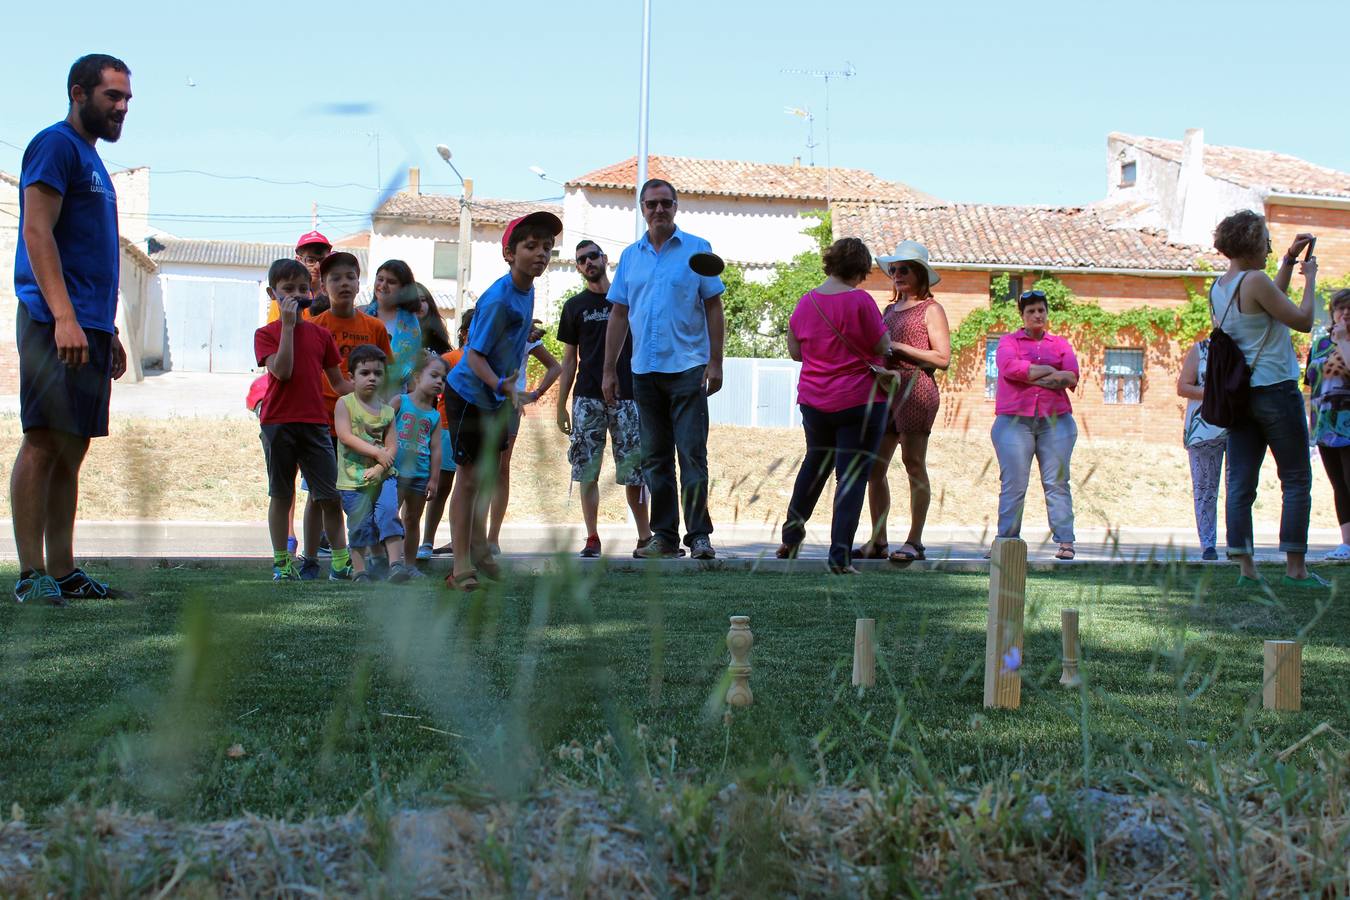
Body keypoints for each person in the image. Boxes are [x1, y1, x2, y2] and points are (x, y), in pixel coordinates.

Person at [11, 54, 133, 605]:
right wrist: (63, 316)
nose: (122, 108)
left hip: (88, 328)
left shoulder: (93, 162)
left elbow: (92, 255)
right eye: (112, 96)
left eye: (127, 99)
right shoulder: (56, 145)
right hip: (52, 321)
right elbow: (38, 233)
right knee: (42, 442)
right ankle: (31, 574)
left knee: (72, 448)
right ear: (78, 92)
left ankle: (62, 572)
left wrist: (105, 329)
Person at [603, 179, 725, 560]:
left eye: (665, 204)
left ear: (676, 206)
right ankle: (665, 537)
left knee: (691, 454)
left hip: (688, 367)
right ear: (641, 208)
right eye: (651, 204)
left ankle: (699, 536)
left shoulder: (697, 250)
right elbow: (619, 313)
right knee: (655, 459)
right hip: (644, 371)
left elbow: (713, 307)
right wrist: (608, 370)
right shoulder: (630, 257)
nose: (659, 210)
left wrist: (716, 361)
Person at [442, 211, 563, 591]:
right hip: (467, 395)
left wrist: (509, 391)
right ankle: (460, 566)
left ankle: (478, 545)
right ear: (509, 253)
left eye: (546, 247)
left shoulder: (527, 293)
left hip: (495, 398)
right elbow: (473, 356)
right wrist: (502, 386)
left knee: (485, 477)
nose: (541, 253)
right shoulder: (498, 299)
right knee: (469, 479)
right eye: (531, 246)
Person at [1211, 212, 1322, 587]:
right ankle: (1296, 569)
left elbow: (1267, 304)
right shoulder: (1255, 281)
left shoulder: (1220, 285)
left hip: (1241, 398)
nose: (1269, 247)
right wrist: (1311, 279)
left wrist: (1289, 261)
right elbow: (1303, 320)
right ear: (1255, 244)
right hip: (1276, 390)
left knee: (1241, 482)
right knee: (1295, 478)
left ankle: (1246, 569)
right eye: (1268, 242)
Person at [776, 238, 890, 573]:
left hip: (814, 400)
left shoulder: (806, 301)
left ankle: (791, 537)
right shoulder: (861, 301)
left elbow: (797, 352)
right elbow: (883, 345)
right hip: (859, 401)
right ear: (859, 269)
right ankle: (839, 557)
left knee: (814, 465)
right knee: (851, 477)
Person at [253, 259, 354, 581]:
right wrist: (286, 326)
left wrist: (371, 392)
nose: (296, 295)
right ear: (273, 293)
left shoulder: (321, 336)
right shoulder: (266, 334)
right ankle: (282, 563)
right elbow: (281, 371)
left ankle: (340, 563)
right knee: (282, 495)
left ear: (312, 292)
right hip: (278, 422)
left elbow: (338, 384)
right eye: (287, 290)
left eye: (302, 289)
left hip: (314, 423)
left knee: (329, 495)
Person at [296, 251, 392, 579]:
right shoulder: (313, 326)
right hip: (322, 423)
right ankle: (310, 559)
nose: (344, 283)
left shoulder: (374, 327)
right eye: (335, 278)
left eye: (350, 276)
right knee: (320, 496)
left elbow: (387, 376)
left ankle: (364, 561)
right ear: (323, 285)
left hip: (364, 428)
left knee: (364, 494)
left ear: (359, 280)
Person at [855, 241, 951, 563]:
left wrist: (897, 346)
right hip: (886, 389)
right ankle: (878, 541)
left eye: (904, 268)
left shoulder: (931, 309)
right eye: (893, 269)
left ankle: (915, 541)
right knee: (874, 468)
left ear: (920, 273)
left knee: (913, 464)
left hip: (916, 388)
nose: (896, 274)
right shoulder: (887, 309)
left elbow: (942, 357)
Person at [557, 240, 652, 558]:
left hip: (627, 396)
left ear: (605, 259)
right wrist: (560, 404)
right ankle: (592, 537)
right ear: (578, 267)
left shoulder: (627, 302)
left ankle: (645, 537)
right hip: (586, 398)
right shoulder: (574, 307)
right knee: (587, 470)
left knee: (634, 470)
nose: (588, 262)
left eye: (592, 256)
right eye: (581, 260)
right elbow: (569, 360)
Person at [990, 290, 1080, 560]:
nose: (1037, 315)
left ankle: (1065, 542)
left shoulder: (1060, 344)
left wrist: (1031, 374)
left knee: (1057, 482)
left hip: (1057, 421)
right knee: (1014, 483)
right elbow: (1009, 368)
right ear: (1022, 315)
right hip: (1014, 421)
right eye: (1031, 311)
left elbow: (1071, 376)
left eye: (1041, 310)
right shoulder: (1008, 341)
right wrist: (1052, 373)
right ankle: (1006, 542)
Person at [486, 320, 561, 555]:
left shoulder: (527, 335)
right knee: (475, 469)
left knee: (500, 469)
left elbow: (555, 367)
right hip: (481, 401)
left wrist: (534, 394)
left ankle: (492, 538)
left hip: (508, 406)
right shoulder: (488, 328)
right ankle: (469, 535)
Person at [333, 344, 403, 582]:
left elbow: (392, 445)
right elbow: (345, 436)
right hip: (353, 480)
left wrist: (380, 467)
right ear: (351, 377)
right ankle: (360, 570)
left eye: (378, 373)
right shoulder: (345, 403)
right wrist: (377, 453)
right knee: (360, 523)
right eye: (365, 373)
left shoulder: (387, 412)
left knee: (389, 513)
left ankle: (396, 565)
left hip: (383, 476)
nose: (372, 377)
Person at [421, 310, 473, 558]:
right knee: (440, 487)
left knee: (468, 487)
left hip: (474, 430)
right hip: (445, 427)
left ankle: (461, 541)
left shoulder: (490, 360)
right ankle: (427, 541)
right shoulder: (451, 358)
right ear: (464, 333)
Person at [1306, 289, 1350, 562]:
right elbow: (1312, 384)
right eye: (1340, 309)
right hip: (1325, 425)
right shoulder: (1321, 344)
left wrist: (1344, 341)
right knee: (1339, 485)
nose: (1344, 314)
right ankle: (1346, 544)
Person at [394, 352, 446, 575]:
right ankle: (385, 561)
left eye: (443, 379)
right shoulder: (400, 401)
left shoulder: (434, 415)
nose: (439, 382)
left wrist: (433, 480)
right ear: (416, 376)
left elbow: (436, 450)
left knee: (412, 519)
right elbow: (381, 428)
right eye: (434, 375)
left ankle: (410, 565)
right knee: (388, 516)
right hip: (394, 473)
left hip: (419, 475)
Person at [1177, 337, 1227, 560]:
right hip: (1203, 430)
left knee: (1239, 488)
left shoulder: (1251, 345)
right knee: (1205, 489)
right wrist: (1217, 393)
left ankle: (1238, 545)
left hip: (1240, 428)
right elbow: (1183, 386)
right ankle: (1208, 545)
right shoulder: (1202, 349)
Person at [367, 259, 422, 392]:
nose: (383, 285)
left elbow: (408, 364)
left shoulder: (410, 324)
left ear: (404, 289)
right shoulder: (362, 313)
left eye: (391, 282)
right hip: (360, 392)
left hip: (392, 396)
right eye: (380, 279)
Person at [268, 231, 332, 322]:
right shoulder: (284, 296)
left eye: (322, 261)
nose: (317, 267)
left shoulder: (334, 295)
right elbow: (274, 332)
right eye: (310, 260)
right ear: (298, 260)